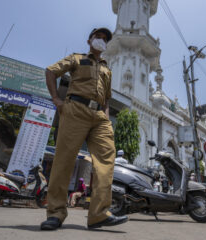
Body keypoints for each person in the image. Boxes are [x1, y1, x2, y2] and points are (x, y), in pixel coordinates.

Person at [41, 27, 128, 230]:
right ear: (90, 41)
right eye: (98, 37)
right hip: (75, 110)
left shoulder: (107, 69)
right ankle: (56, 213)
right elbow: (51, 71)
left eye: (105, 39)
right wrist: (56, 99)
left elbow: (106, 98)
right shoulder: (77, 58)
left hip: (99, 117)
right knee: (64, 160)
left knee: (106, 162)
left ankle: (98, 214)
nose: (102, 41)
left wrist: (106, 119)